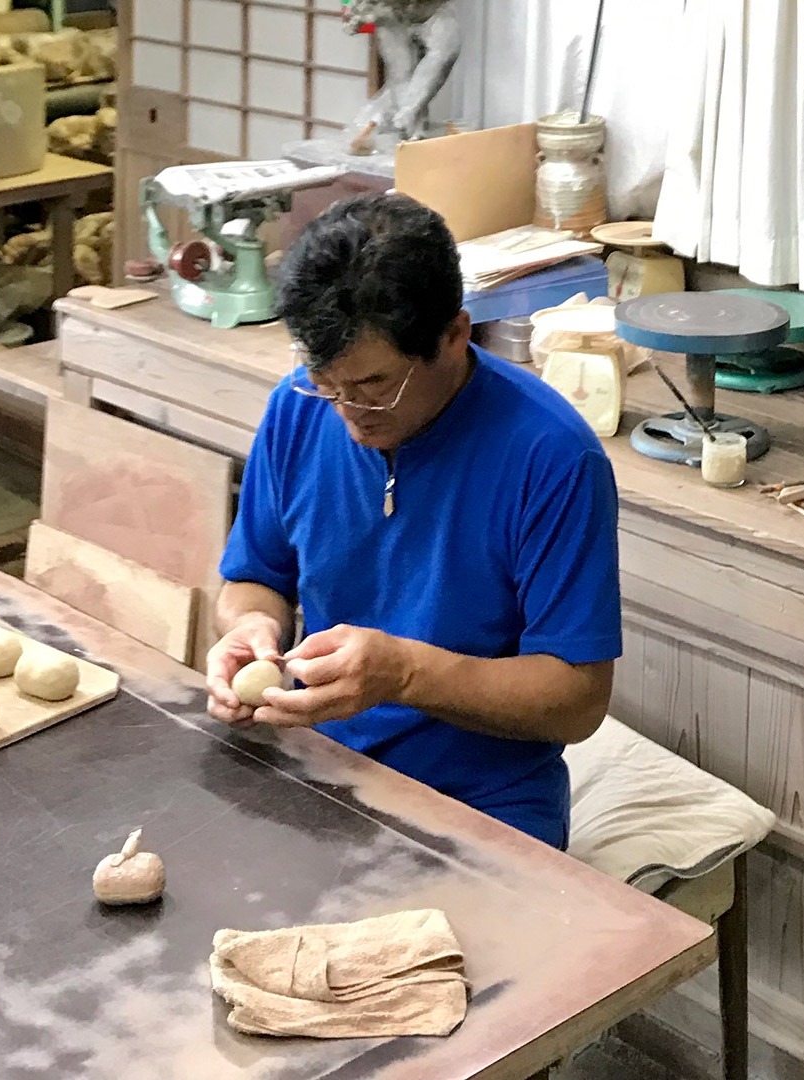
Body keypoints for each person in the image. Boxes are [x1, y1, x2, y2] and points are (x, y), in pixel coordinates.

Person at [204, 193, 621, 850]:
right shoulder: (297, 406)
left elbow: (576, 699)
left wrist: (403, 674)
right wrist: (252, 629)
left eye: (374, 385)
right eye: (326, 381)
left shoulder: (552, 456)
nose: (347, 410)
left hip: (481, 803)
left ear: (455, 335)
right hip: (319, 763)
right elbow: (253, 579)